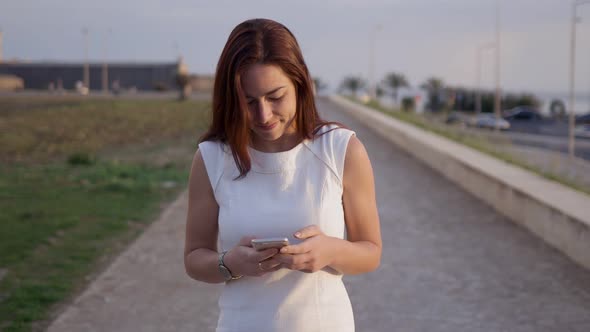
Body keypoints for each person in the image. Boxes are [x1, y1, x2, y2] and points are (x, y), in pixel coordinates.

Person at [184, 18, 382, 332]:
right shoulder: (211, 158)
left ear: (300, 84)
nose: (263, 115)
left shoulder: (341, 149)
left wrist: (331, 250)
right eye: (248, 102)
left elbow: (370, 252)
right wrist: (230, 263)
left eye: (275, 97)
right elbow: (195, 258)